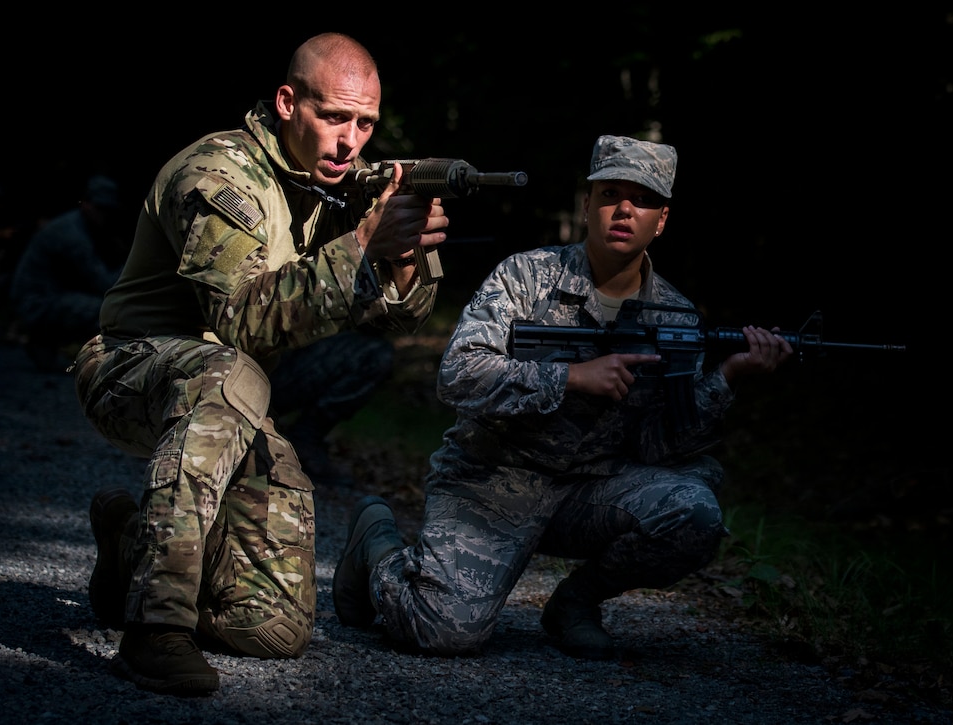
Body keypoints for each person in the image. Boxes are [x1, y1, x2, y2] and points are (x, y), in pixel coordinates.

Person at [73, 32, 448, 696]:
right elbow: (239, 321)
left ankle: (132, 546)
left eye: (364, 123)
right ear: (286, 102)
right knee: (232, 371)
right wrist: (362, 243)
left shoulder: (329, 182)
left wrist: (403, 258)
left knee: (272, 627)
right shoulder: (218, 173)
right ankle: (154, 626)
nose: (349, 140)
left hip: (236, 390)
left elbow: (399, 318)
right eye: (334, 116)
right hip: (132, 369)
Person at [332, 134, 793, 660]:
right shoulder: (527, 277)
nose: (624, 209)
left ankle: (575, 603)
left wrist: (729, 378)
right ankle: (378, 547)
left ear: (661, 220)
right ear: (588, 205)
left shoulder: (675, 315)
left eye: (642, 200)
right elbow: (457, 375)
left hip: (588, 493)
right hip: (492, 482)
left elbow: (666, 448)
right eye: (610, 193)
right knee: (444, 633)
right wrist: (571, 378)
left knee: (696, 508)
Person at [8, 175, 129, 372]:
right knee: (106, 312)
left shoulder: (82, 227)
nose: (105, 215)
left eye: (108, 210)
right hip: (36, 303)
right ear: (86, 204)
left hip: (43, 298)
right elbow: (105, 284)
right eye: (100, 209)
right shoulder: (72, 234)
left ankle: (45, 342)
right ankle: (50, 342)